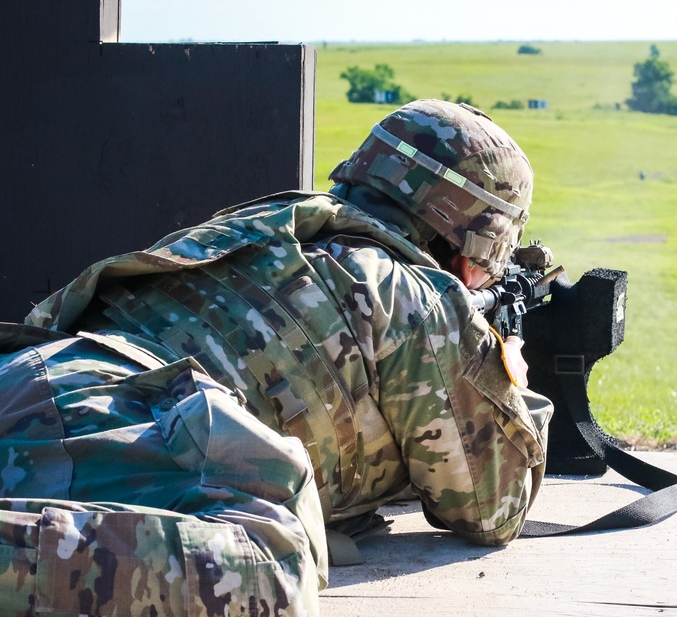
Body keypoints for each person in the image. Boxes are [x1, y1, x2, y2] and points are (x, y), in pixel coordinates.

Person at [0, 99, 553, 616]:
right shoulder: (415, 297)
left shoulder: (270, 225)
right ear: (475, 241)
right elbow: (490, 509)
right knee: (272, 565)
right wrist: (511, 384)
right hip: (118, 425)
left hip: (34, 373)